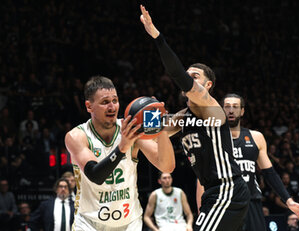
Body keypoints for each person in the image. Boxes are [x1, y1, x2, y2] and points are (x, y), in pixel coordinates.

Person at [140, 6, 250, 231]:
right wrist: (150, 111)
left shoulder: (209, 105)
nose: (188, 79)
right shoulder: (183, 117)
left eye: (195, 76)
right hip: (213, 192)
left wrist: (157, 37)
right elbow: (152, 133)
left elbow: (176, 74)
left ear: (208, 85)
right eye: (188, 75)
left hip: (227, 189)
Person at [64, 76, 175, 231]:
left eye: (115, 100)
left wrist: (161, 128)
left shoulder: (130, 129)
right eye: (105, 102)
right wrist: (122, 147)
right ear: (89, 106)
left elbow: (166, 166)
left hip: (130, 222)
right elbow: (96, 176)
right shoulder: (77, 136)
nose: (112, 107)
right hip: (89, 223)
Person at [211, 93, 299, 231]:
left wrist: (288, 201)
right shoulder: (212, 138)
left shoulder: (256, 137)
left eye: (235, 107)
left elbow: (270, 173)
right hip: (224, 202)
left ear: (242, 111)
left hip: (251, 201)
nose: (231, 110)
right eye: (227, 107)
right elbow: (203, 177)